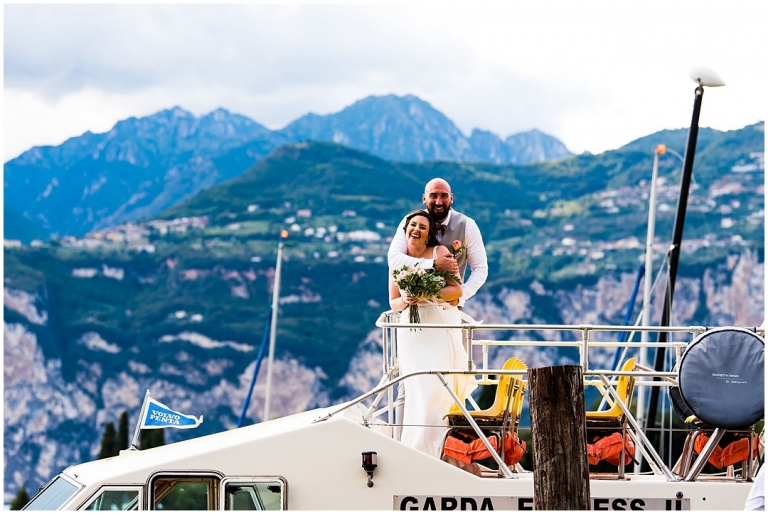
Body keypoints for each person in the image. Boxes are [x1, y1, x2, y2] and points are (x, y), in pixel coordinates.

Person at [389, 210, 477, 458]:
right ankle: (413, 449)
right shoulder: (398, 259)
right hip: (411, 333)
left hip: (438, 327)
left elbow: (456, 291)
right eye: (413, 225)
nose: (416, 230)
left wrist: (428, 294)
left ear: (429, 234)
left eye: (423, 227)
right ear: (406, 229)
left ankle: (439, 451)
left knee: (437, 386)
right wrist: (406, 299)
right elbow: (393, 302)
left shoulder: (441, 252)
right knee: (415, 386)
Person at [388, 177, 488, 310]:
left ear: (451, 198)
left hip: (450, 308)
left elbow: (480, 269)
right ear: (424, 198)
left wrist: (461, 297)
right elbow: (393, 259)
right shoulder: (411, 222)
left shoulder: (467, 226)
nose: (439, 202)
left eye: (444, 196)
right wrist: (433, 264)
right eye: (433, 196)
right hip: (413, 308)